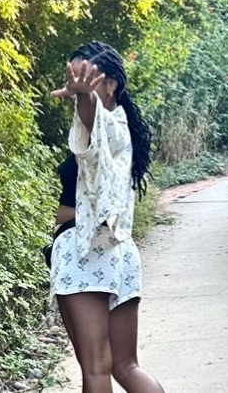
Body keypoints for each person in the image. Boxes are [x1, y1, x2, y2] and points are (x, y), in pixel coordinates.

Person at [48, 41, 165, 393]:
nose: (76, 82)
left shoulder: (106, 122)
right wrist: (82, 96)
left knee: (96, 368)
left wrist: (84, 98)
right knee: (124, 365)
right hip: (117, 252)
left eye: (86, 75)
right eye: (73, 75)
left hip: (86, 252)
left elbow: (91, 122)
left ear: (111, 84)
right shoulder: (120, 125)